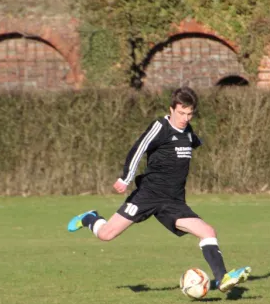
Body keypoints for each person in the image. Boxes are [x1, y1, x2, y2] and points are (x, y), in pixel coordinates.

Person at [67, 87, 251, 293]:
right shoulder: (160, 127)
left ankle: (223, 278)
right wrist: (125, 178)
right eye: (181, 113)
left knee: (208, 231)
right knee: (106, 235)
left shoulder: (189, 133)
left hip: (173, 202)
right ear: (171, 109)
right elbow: (138, 149)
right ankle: (90, 218)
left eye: (190, 114)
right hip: (147, 196)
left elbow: (192, 143)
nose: (185, 118)